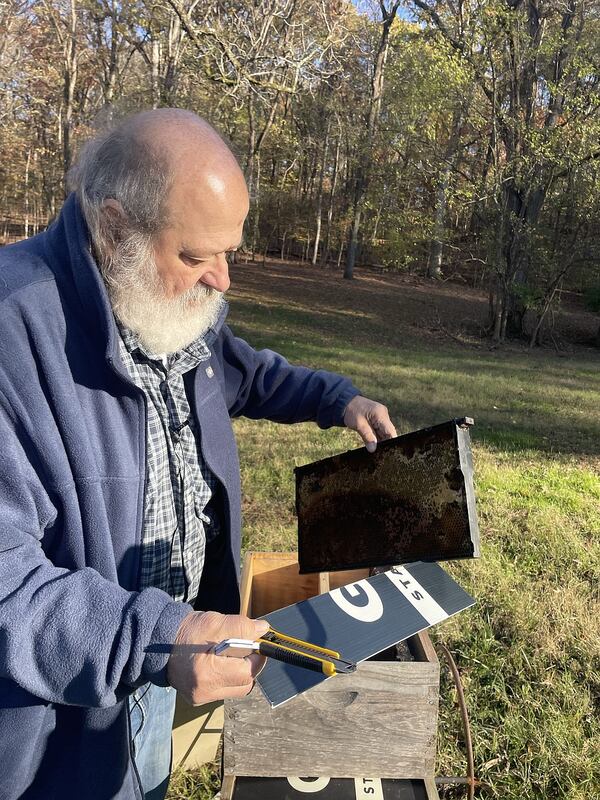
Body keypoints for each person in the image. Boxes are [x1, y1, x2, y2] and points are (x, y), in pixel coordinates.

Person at [0, 109, 397, 800]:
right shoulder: (14, 331)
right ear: (115, 227)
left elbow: (243, 371)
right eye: (196, 256)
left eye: (229, 252)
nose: (223, 280)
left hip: (168, 657)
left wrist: (338, 400)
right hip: (53, 726)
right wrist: (156, 638)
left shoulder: (158, 297)